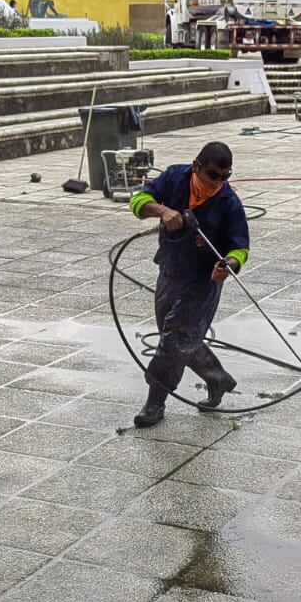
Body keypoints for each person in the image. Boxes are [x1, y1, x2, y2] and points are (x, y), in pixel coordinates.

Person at [125, 141, 250, 429]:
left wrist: (229, 264)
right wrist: (162, 211)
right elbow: (137, 202)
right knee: (179, 337)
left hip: (202, 283)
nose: (218, 183)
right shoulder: (174, 177)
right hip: (170, 272)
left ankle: (155, 401)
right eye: (212, 175)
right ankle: (217, 378)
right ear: (196, 167)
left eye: (225, 176)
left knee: (174, 342)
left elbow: (240, 247)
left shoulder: (228, 202)